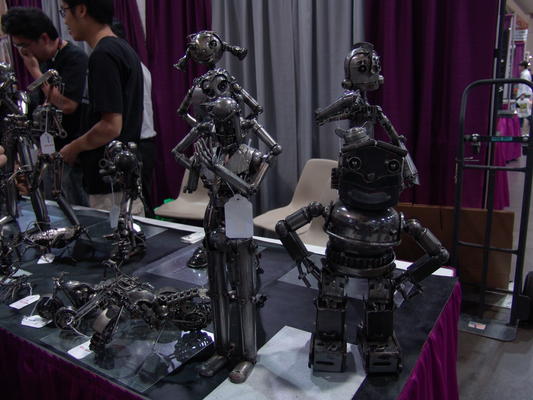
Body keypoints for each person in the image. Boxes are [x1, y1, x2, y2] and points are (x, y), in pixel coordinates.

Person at [58, 0, 144, 215]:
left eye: (64, 11)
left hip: (110, 181)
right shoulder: (121, 48)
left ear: (81, 9)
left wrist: (73, 148)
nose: (65, 20)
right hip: (121, 175)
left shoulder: (104, 54)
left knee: (114, 233)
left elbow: (110, 126)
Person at [1, 7, 89, 206]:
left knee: (75, 209)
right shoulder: (44, 61)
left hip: (71, 157)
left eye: (24, 45)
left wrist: (34, 71)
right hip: (47, 154)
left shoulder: (74, 58)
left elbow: (67, 104)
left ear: (44, 38)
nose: (23, 52)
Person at [111, 20, 157, 218]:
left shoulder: (124, 66)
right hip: (144, 142)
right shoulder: (139, 65)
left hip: (136, 142)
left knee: (136, 203)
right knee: (140, 199)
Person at [517, 60, 532, 133]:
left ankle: (519, 129)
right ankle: (519, 129)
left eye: (520, 66)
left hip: (523, 97)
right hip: (523, 96)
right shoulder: (525, 73)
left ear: (523, 66)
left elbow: (524, 85)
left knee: (524, 113)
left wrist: (523, 95)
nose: (519, 67)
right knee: (522, 113)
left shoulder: (525, 74)